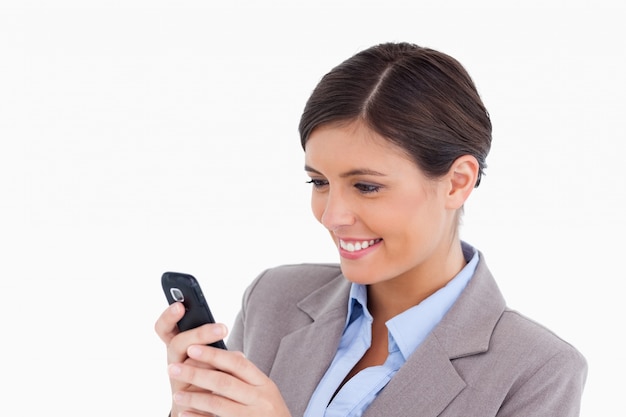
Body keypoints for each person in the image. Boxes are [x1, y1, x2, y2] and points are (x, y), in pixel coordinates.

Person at [154, 42, 587, 417]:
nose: (331, 216)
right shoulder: (274, 298)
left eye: (366, 186)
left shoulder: (536, 370)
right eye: (319, 182)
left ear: (458, 182)